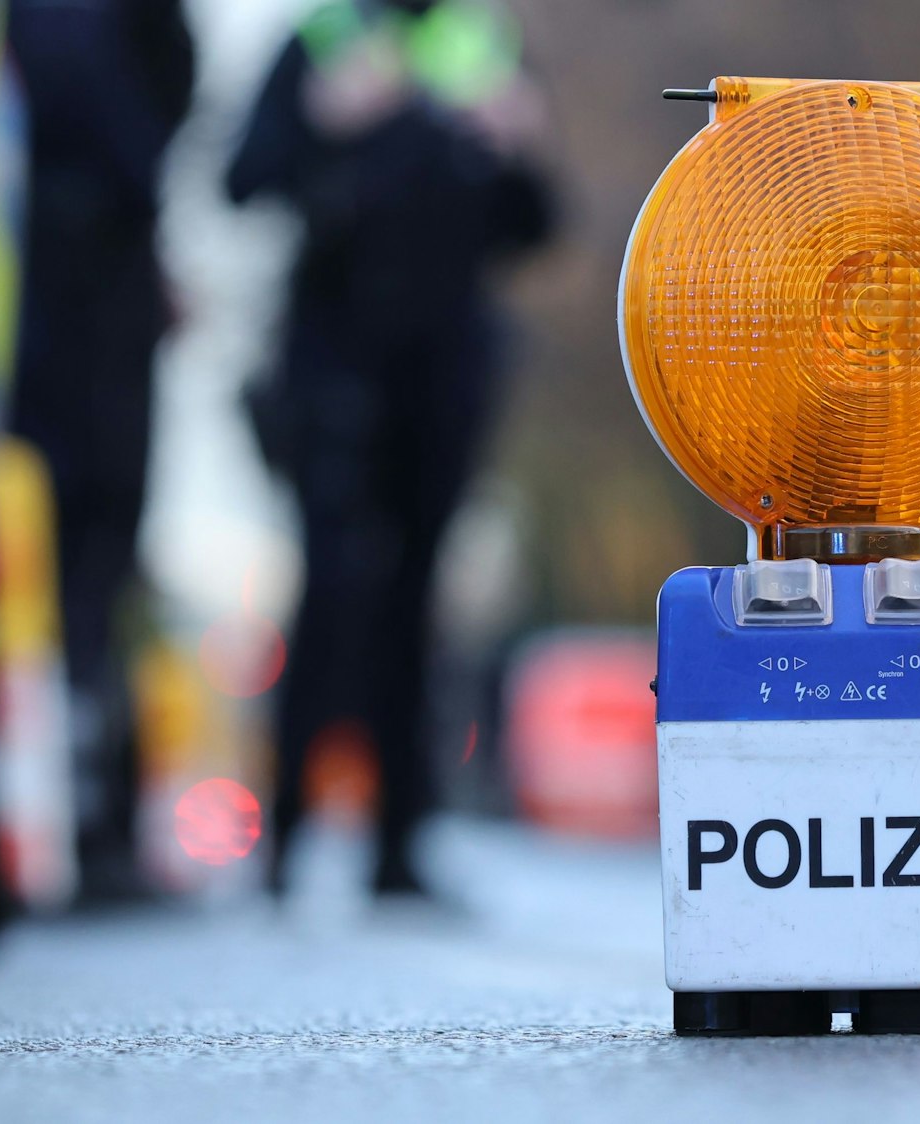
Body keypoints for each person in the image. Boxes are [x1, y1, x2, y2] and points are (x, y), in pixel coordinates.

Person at [225, 0, 552, 896]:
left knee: (415, 598)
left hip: (444, 372)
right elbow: (243, 179)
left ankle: (399, 845)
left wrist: (516, 145)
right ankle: (285, 834)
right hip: (334, 364)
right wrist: (325, 123)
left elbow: (533, 225)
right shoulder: (321, 43)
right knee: (333, 592)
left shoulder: (482, 50)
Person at [7, 0, 194, 900]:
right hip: (76, 299)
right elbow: (135, 103)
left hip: (63, 286)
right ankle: (83, 824)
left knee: (77, 573)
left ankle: (82, 818)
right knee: (81, 567)